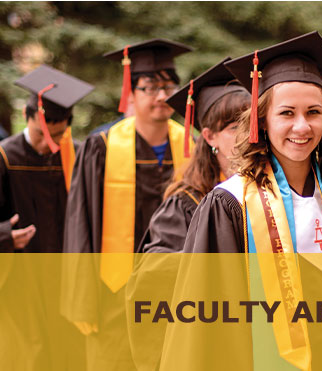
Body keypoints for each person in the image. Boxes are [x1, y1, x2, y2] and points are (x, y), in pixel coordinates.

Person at [160, 31, 322, 371]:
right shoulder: (231, 205)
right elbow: (205, 321)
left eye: (314, 112)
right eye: (287, 113)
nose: (302, 126)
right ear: (261, 120)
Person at [61, 38, 192, 371]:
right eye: (150, 87)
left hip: (173, 292)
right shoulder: (102, 147)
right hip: (112, 290)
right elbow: (81, 223)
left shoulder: (190, 146)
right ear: (131, 93)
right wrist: (82, 294)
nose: (162, 96)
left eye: (169, 86)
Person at [125, 58, 251, 371]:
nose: (249, 137)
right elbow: (152, 285)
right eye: (236, 128)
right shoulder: (186, 205)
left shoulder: (274, 195)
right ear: (209, 137)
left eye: (254, 126)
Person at [0, 64, 93, 370]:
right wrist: (5, 236)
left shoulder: (77, 155)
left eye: (59, 135)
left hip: (68, 273)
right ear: (27, 119)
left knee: (70, 353)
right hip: (22, 279)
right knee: (31, 354)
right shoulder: (4, 157)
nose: (49, 144)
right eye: (42, 134)